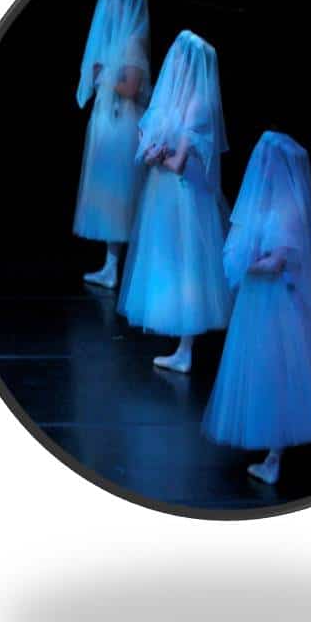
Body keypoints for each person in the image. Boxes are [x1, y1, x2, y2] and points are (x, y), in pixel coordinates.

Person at [202, 131, 311, 483]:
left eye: (267, 163)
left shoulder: (288, 209)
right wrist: (245, 258)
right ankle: (277, 458)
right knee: (278, 374)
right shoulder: (268, 205)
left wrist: (248, 266)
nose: (261, 169)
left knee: (300, 373)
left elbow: (277, 263)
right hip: (264, 302)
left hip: (283, 303)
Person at [118, 30, 232, 372]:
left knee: (186, 264)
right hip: (163, 193)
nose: (175, 64)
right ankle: (179, 344)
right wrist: (151, 152)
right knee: (166, 261)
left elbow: (180, 162)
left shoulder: (198, 104)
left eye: (181, 59)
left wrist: (158, 157)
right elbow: (149, 142)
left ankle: (186, 349)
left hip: (184, 196)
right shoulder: (170, 99)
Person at [74, 0, 151, 288]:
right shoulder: (114, 40)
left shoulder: (132, 42)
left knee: (119, 195)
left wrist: (104, 76)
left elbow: (131, 88)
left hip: (122, 125)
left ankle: (118, 267)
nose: (110, 7)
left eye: (116, 2)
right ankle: (110, 266)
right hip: (108, 123)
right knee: (109, 196)